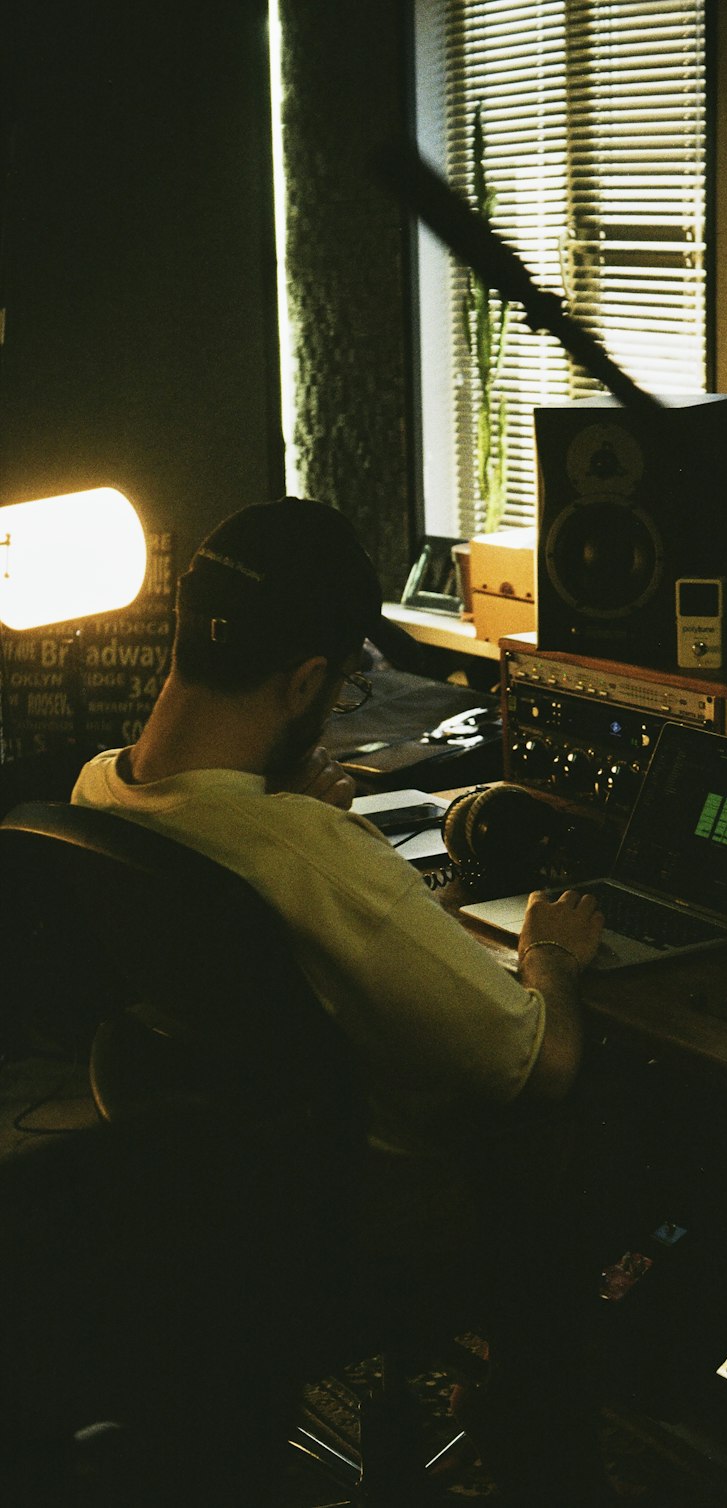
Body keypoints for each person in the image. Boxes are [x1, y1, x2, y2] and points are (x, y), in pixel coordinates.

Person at [72, 496, 609, 1503]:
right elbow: (541, 1061)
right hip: (361, 1211)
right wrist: (549, 958)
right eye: (342, 687)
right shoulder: (308, 854)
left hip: (200, 1188)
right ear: (307, 679)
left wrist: (309, 827)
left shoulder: (95, 794)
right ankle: (540, 1439)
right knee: (590, 1133)